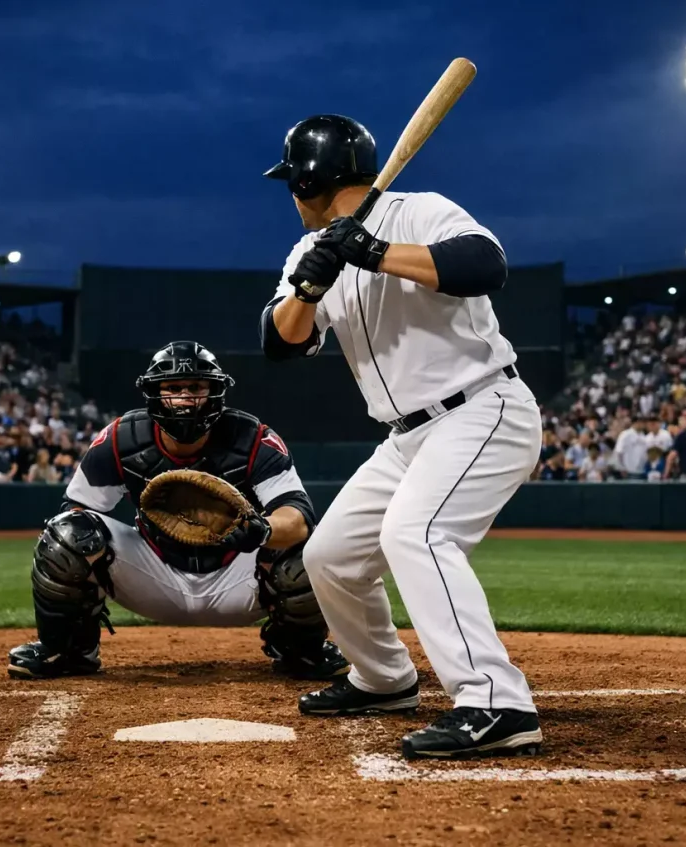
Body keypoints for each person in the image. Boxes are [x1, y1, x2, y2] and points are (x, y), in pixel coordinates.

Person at [259, 114, 542, 761]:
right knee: (329, 555)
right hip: (406, 435)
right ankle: (384, 678)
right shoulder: (310, 251)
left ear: (308, 179)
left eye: (291, 183)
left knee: (416, 533)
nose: (289, 194)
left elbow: (485, 264)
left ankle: (497, 701)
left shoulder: (421, 212)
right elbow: (279, 341)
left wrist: (375, 253)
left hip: (482, 407)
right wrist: (312, 281)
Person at [8, 341, 348, 683]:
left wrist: (260, 530)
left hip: (239, 578)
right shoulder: (120, 439)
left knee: (309, 548)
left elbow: (297, 517)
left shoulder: (253, 437)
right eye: (173, 388)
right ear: (154, 393)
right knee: (65, 534)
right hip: (155, 575)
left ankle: (301, 650)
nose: (185, 398)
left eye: (196, 387)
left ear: (215, 391)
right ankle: (68, 650)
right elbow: (76, 511)